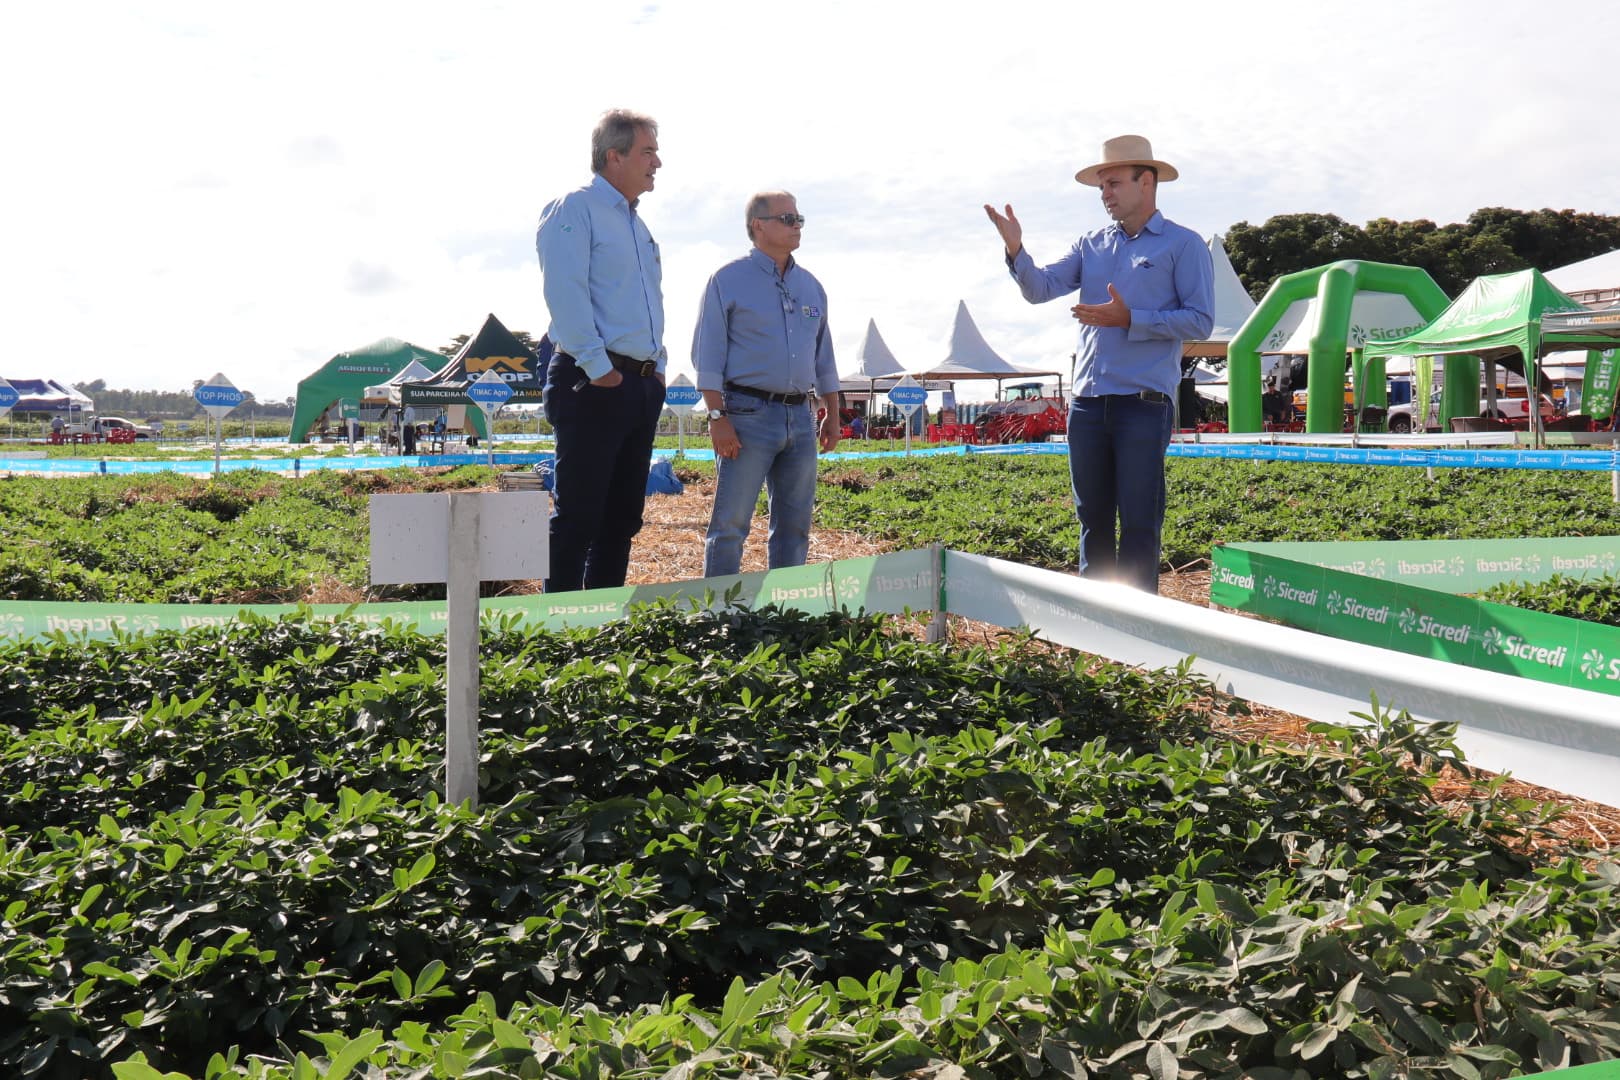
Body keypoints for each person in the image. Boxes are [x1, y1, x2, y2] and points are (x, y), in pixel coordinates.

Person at [986, 134, 1213, 593]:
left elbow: (1201, 321)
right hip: (1088, 404)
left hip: (1143, 404)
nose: (1105, 194)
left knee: (1138, 520)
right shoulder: (1091, 244)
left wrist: (1131, 319)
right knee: (1091, 519)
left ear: (1145, 182)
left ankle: (1138, 622)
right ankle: (1098, 621)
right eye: (1101, 187)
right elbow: (1040, 288)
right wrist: (1015, 250)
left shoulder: (1183, 245)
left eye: (1112, 183)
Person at [536, 108, 667, 592]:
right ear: (615, 156)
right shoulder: (575, 209)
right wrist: (600, 368)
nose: (657, 162)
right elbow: (565, 293)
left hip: (637, 384)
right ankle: (559, 625)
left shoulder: (636, 226)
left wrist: (656, 371)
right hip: (594, 381)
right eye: (647, 151)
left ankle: (602, 618)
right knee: (579, 517)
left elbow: (646, 304)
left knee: (622, 519)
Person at [693, 191, 841, 577]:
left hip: (801, 415)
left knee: (795, 526)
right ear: (759, 225)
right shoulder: (727, 280)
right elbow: (707, 355)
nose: (797, 226)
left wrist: (833, 414)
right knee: (730, 525)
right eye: (787, 218)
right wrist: (716, 416)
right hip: (745, 415)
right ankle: (720, 615)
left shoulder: (811, 287)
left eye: (799, 219)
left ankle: (785, 613)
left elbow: (824, 358)